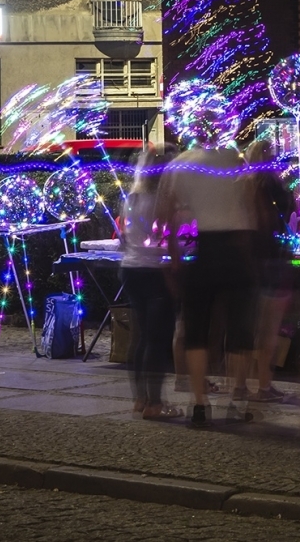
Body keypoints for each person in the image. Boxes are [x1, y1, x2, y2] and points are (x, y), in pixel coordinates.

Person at [156, 137, 256, 427]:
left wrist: (174, 255)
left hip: (204, 250)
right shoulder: (234, 159)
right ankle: (237, 399)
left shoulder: (179, 164)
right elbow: (249, 204)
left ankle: (199, 402)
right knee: (240, 329)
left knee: (196, 329)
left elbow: (167, 216)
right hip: (235, 248)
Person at [121, 143, 181, 420]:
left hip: (131, 269)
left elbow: (124, 236)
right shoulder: (163, 199)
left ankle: (140, 399)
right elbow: (170, 241)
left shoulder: (131, 197)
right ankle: (155, 404)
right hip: (156, 271)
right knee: (158, 339)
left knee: (142, 337)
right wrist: (176, 269)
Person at [246, 136, 295, 402]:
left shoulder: (244, 185)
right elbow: (290, 212)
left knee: (252, 326)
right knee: (271, 327)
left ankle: (245, 383)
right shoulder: (275, 185)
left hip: (251, 258)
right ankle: (264, 383)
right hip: (275, 257)